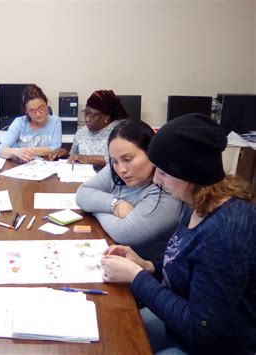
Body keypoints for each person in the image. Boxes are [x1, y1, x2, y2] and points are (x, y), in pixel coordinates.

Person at [100, 114, 255, 354]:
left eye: (163, 172)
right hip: (183, 327)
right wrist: (149, 266)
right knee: (111, 331)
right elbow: (187, 264)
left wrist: (137, 276)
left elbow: (202, 328)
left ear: (191, 173)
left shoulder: (225, 233)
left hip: (214, 345)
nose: (157, 180)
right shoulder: (196, 202)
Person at [76, 119, 183, 262]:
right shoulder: (116, 168)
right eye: (114, 161)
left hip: (144, 273)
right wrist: (115, 205)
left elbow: (124, 233)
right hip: (113, 255)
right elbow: (82, 194)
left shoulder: (166, 190)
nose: (121, 169)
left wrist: (94, 208)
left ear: (151, 152)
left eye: (128, 159)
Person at [49, 90, 128, 166]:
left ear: (107, 116)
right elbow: (74, 157)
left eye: (92, 115)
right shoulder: (81, 133)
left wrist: (90, 159)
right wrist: (65, 154)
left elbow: (123, 160)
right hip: (81, 177)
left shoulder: (121, 133)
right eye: (86, 113)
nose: (87, 119)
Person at [0, 84, 62, 162]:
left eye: (41, 108)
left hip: (44, 166)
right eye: (32, 111)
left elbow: (56, 149)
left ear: (46, 104)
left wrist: (28, 150)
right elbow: (1, 150)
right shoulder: (19, 123)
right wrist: (17, 152)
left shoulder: (55, 122)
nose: (38, 114)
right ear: (26, 111)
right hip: (20, 166)